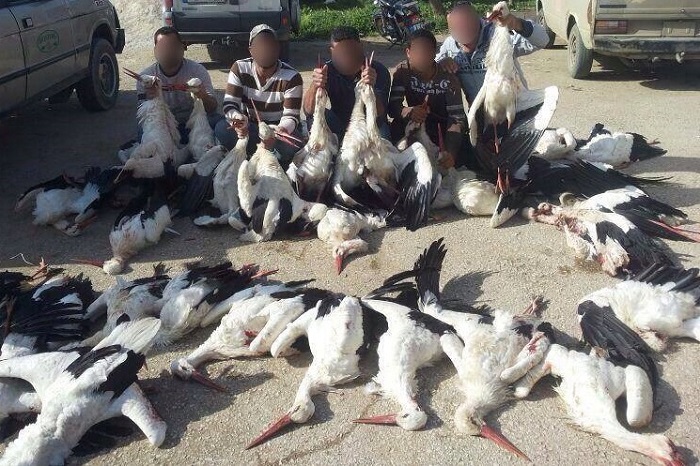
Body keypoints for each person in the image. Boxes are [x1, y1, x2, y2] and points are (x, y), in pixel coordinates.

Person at [214, 24, 303, 168]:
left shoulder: (292, 77)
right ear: (251, 50)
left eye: (270, 46)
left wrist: (279, 132)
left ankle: (261, 158)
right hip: (250, 127)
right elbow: (230, 105)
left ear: (277, 49)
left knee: (292, 146)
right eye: (260, 46)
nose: (265, 50)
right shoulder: (239, 68)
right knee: (221, 129)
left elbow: (291, 117)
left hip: (277, 131)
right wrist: (237, 120)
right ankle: (260, 156)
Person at [436, 1, 551, 104]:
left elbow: (543, 40)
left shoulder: (498, 35)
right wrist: (441, 63)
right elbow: (430, 69)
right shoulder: (449, 46)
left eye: (466, 25)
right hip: (481, 115)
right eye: (456, 27)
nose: (462, 31)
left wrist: (518, 24)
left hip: (514, 109)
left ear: (478, 20)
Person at [389, 29, 466, 169]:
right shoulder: (402, 72)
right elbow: (393, 107)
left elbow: (457, 118)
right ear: (408, 52)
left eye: (427, 51)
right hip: (415, 126)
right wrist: (409, 111)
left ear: (434, 53)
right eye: (417, 51)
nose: (422, 56)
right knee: (395, 128)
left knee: (461, 155)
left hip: (442, 130)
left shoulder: (448, 76)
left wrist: (450, 153)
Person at [303, 26, 391, 141]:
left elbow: (380, 113)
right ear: (332, 51)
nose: (346, 57)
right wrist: (315, 85)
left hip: (370, 124)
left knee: (383, 138)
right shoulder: (327, 70)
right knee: (314, 117)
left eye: (350, 52)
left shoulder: (378, 70)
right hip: (339, 123)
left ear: (360, 48)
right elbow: (308, 110)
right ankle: (330, 150)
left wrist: (371, 87)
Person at [136, 27, 221, 144]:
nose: (168, 51)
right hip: (165, 125)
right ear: (155, 51)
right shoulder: (146, 77)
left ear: (182, 48)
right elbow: (146, 117)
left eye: (172, 46)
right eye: (163, 48)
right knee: (144, 131)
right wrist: (150, 100)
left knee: (221, 126)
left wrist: (203, 96)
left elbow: (212, 108)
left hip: (194, 123)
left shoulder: (197, 71)